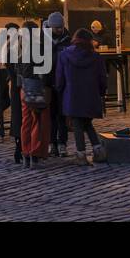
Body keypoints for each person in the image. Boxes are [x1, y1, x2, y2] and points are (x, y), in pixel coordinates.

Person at [55, 28, 108, 165]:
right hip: (91, 95)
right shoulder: (96, 58)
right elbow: (102, 78)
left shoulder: (64, 55)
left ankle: (81, 154)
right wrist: (101, 92)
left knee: (78, 124)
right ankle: (98, 151)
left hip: (72, 95)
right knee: (86, 122)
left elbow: (60, 77)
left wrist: (59, 90)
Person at [16, 21, 51, 168]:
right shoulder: (40, 48)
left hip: (23, 88)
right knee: (38, 121)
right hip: (37, 86)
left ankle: (25, 153)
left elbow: (16, 69)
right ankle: (34, 154)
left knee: (26, 121)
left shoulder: (19, 48)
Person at [43, 12, 70, 155]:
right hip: (48, 81)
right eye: (56, 28)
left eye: (61, 27)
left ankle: (62, 143)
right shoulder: (43, 39)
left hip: (63, 82)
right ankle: (52, 142)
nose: (59, 30)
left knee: (62, 114)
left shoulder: (68, 38)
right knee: (51, 115)